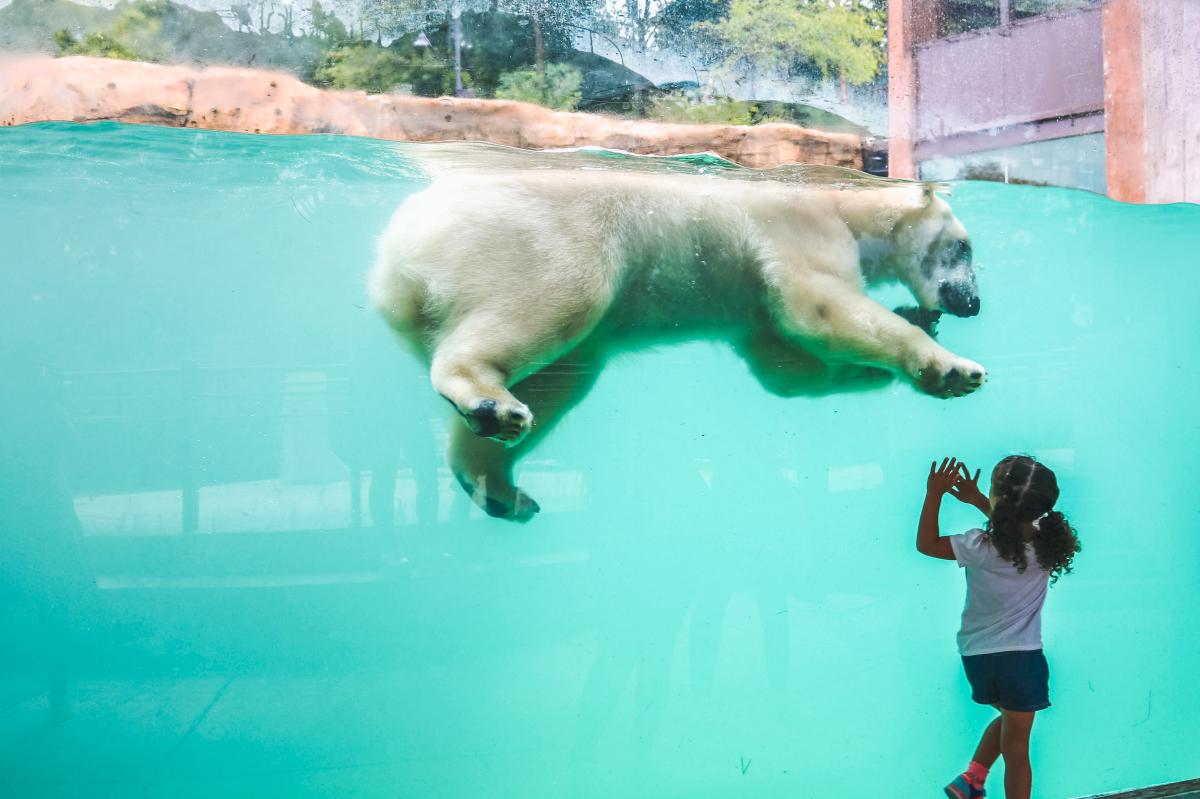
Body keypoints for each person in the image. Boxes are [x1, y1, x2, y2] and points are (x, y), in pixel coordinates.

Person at [917, 455, 1081, 799]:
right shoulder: (1048, 546)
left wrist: (935, 493)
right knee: (1018, 750)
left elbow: (927, 545)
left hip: (977, 659)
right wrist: (980, 499)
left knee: (1010, 721)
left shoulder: (979, 546)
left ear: (998, 500)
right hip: (1021, 662)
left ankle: (972, 779)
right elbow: (1017, 529)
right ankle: (974, 779)